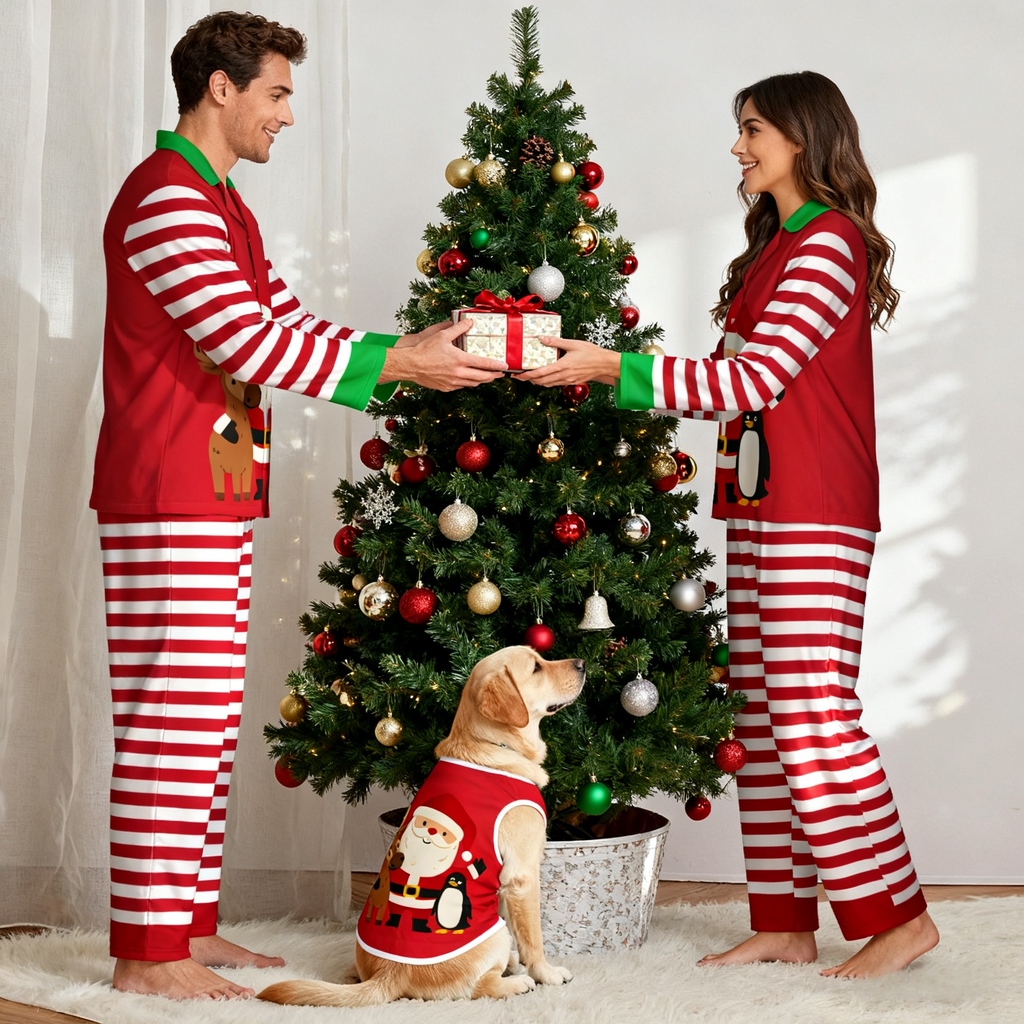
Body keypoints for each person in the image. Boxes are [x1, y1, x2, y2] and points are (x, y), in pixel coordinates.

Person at [90, 12, 505, 1001]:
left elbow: (282, 318)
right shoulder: (167, 196)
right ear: (219, 87)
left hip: (214, 490)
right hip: (167, 490)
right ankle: (146, 953)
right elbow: (243, 341)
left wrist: (411, 353)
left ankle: (186, 930)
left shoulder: (220, 202)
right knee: (170, 720)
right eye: (275, 93)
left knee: (202, 721)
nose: (286, 114)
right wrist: (401, 366)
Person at [518, 70, 939, 979]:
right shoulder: (775, 249)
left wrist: (610, 367)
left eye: (753, 129)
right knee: (762, 715)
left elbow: (753, 380)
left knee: (812, 713)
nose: (739, 146)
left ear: (802, 137)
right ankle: (785, 921)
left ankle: (898, 917)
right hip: (759, 505)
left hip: (816, 510)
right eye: (740, 129)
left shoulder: (828, 242)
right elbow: (724, 388)